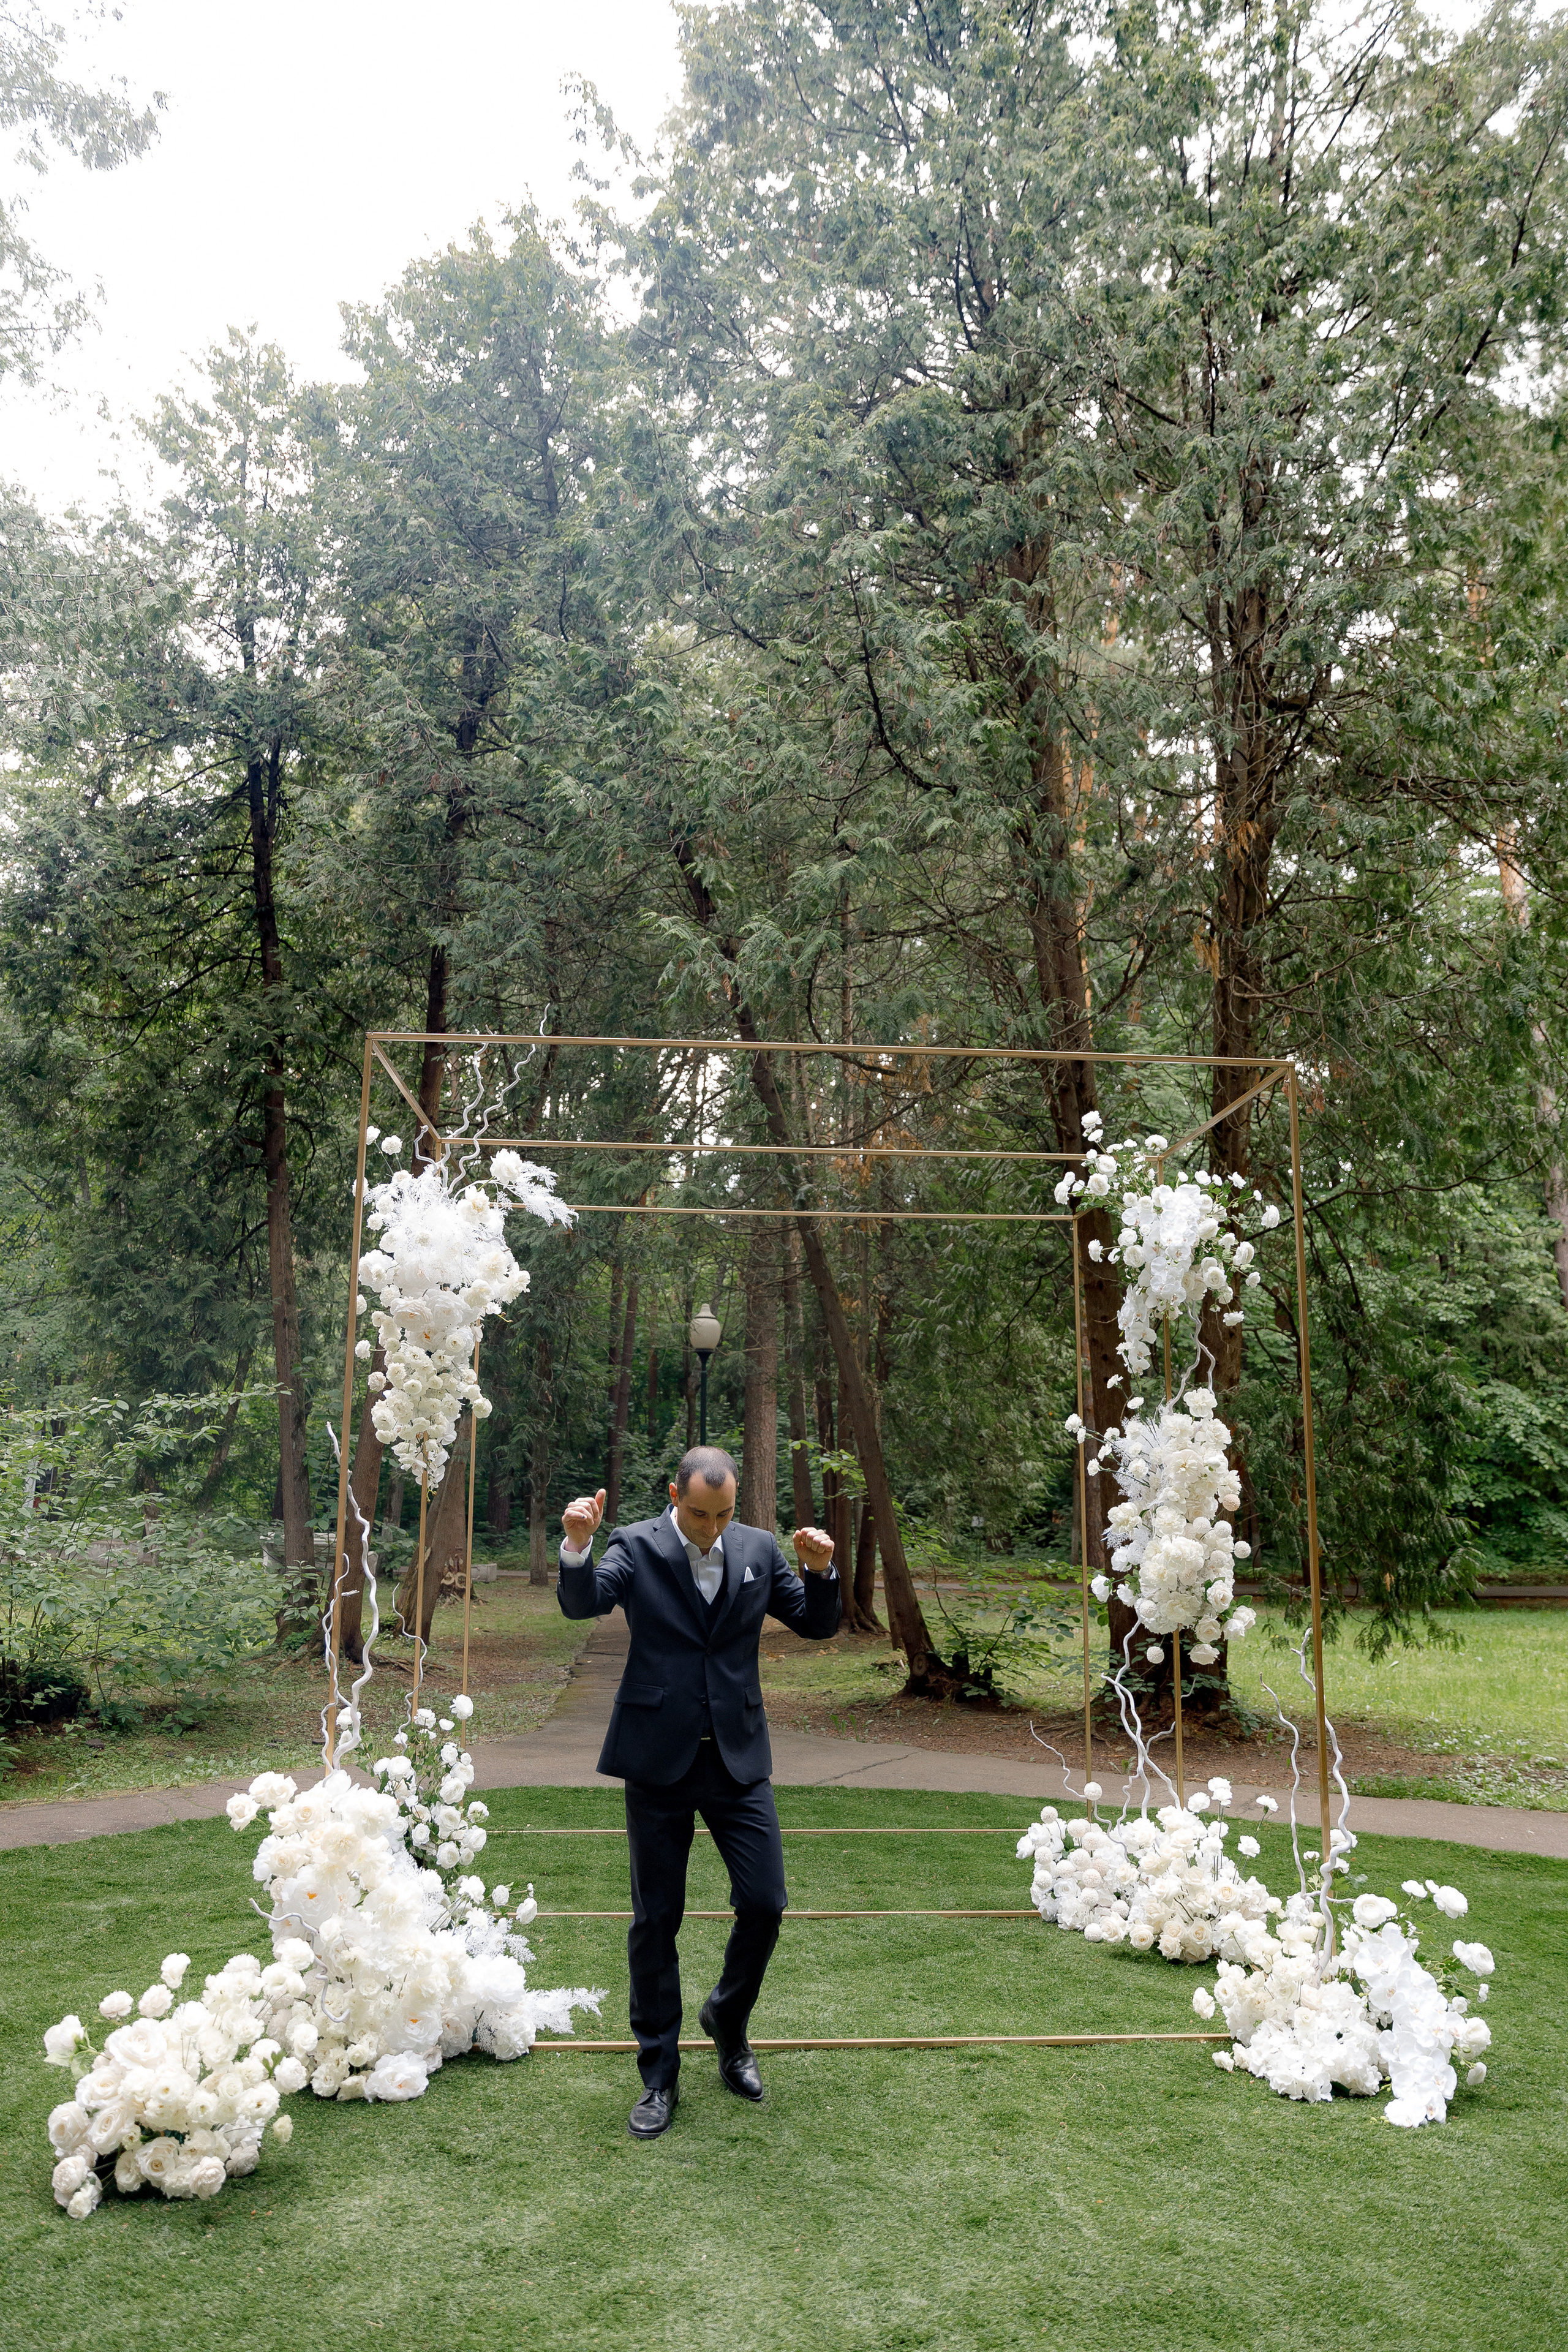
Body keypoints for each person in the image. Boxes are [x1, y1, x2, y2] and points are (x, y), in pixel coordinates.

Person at [557, 1444, 840, 2138]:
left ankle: (727, 2021)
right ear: (675, 1498)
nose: (712, 1528)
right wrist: (576, 1547)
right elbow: (585, 1601)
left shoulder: (757, 1548)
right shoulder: (634, 1545)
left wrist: (820, 1569)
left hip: (739, 1760)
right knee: (657, 1920)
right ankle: (658, 2076)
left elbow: (814, 1621)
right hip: (657, 1759)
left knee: (766, 1903)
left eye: (723, 1515)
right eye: (699, 1514)